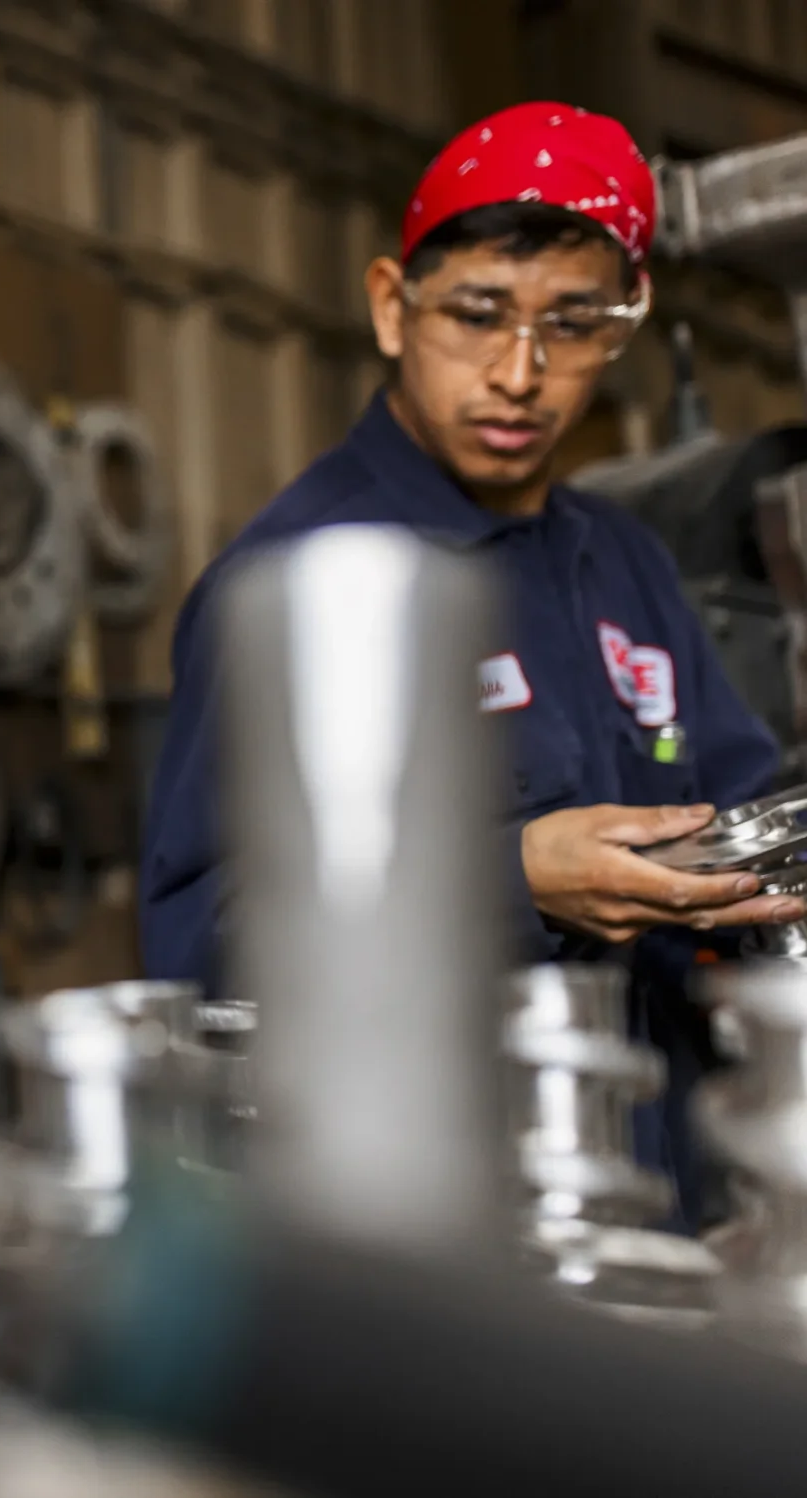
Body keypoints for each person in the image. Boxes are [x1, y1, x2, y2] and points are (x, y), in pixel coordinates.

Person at [141, 102, 800, 1222]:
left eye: (573, 322)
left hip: (660, 1195)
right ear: (394, 308)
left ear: (622, 326)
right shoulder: (302, 582)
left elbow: (742, 807)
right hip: (444, 1231)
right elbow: (206, 940)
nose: (520, 372)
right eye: (479, 315)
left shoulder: (624, 562)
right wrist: (513, 877)